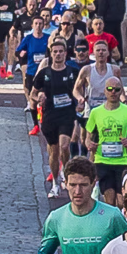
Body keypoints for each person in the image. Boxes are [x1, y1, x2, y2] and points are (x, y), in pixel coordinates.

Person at [31, 40, 82, 195]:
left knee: (64, 146)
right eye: (55, 52)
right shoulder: (44, 73)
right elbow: (33, 94)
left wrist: (80, 102)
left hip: (67, 114)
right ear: (51, 54)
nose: (58, 54)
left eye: (61, 51)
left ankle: (65, 172)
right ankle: (55, 182)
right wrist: (39, 99)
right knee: (53, 151)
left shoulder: (73, 72)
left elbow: (81, 90)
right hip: (50, 115)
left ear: (65, 53)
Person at [85, 78, 127, 206]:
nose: (113, 92)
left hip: (122, 161)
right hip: (102, 160)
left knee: (122, 202)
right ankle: (112, 219)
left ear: (121, 91)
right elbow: (88, 137)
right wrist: (90, 144)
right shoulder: (96, 112)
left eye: (117, 89)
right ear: (104, 91)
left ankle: (121, 218)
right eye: (110, 89)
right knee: (109, 200)